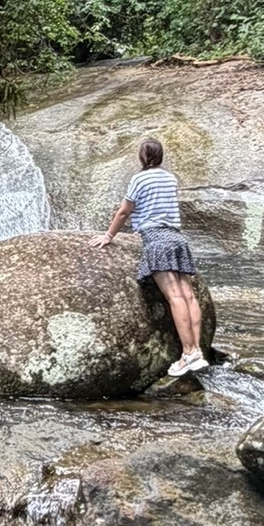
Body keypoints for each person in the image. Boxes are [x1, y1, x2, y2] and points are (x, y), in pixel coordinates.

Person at [91, 135, 209, 376]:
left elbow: (124, 211)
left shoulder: (139, 179)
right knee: (188, 295)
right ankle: (197, 351)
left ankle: (188, 354)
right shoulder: (170, 178)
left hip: (156, 239)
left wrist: (109, 236)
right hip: (177, 239)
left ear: (143, 156)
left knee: (174, 296)